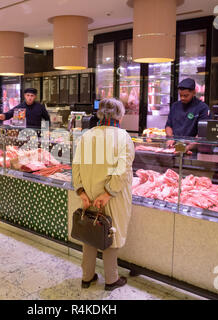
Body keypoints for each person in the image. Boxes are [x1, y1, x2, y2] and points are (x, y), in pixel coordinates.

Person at [72, 98, 135, 291]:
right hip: (112, 197)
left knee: (90, 232)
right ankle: (111, 279)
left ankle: (87, 276)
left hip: (89, 195)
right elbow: (123, 170)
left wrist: (82, 192)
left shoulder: (87, 135)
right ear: (120, 115)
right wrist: (108, 193)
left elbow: (76, 165)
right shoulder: (123, 137)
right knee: (111, 235)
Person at [165, 78, 210, 147]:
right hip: (175, 145)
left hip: (193, 148)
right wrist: (170, 138)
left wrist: (188, 147)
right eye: (181, 95)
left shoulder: (203, 108)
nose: (182, 98)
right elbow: (168, 126)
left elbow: (203, 132)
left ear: (194, 92)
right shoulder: (175, 106)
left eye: (186, 96)